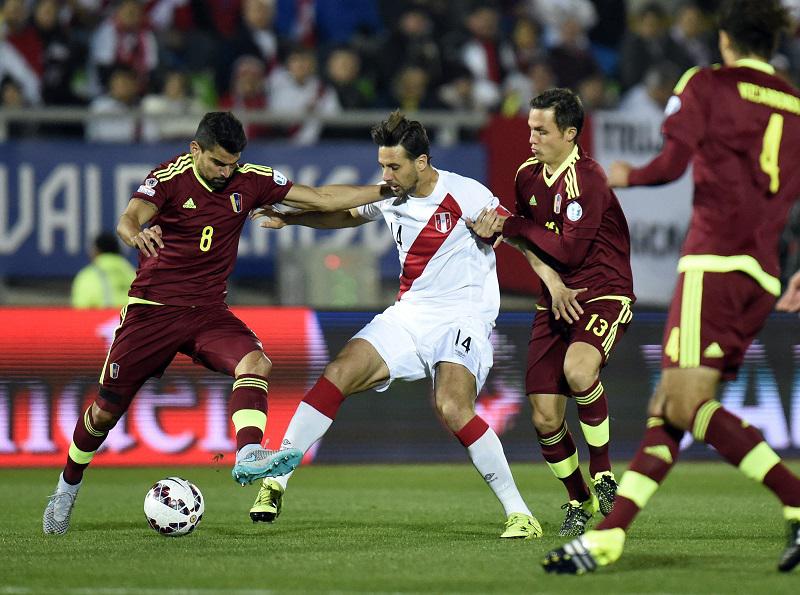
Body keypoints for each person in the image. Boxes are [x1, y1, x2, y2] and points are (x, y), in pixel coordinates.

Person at [43, 111, 394, 535]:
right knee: (103, 413)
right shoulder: (169, 177)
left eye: (233, 163)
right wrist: (136, 234)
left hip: (208, 311)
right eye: (217, 163)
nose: (227, 172)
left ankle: (247, 453)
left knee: (257, 363)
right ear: (196, 150)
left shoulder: (251, 179)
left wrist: (385, 190)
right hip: (153, 309)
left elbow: (319, 198)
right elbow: (128, 219)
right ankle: (66, 487)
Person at [543, 0, 800, 574]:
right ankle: (610, 539)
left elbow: (670, 164)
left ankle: (795, 497)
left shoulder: (707, 83)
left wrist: (623, 174)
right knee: (668, 408)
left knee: (684, 402)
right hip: (763, 271)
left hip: (713, 261)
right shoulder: (796, 103)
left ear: (726, 41)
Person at [246, 111, 578, 538]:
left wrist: (552, 281)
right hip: (409, 314)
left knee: (452, 408)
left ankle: (520, 514)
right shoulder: (391, 192)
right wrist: (290, 218)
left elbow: (517, 235)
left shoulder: (466, 192)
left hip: (462, 317)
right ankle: (275, 482)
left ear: (422, 162)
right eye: (383, 164)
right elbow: (341, 212)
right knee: (338, 373)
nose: (386, 174)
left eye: (394, 166)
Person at [467, 88, 635, 537]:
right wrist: (547, 277)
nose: (532, 138)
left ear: (570, 133)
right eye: (530, 129)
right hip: (555, 297)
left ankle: (603, 474)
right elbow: (526, 241)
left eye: (541, 131)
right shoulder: (527, 175)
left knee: (580, 371)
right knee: (544, 416)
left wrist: (509, 222)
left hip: (602, 290)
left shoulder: (589, 179)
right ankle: (579, 500)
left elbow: (570, 247)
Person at [71, 232, 136, 309]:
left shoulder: (86, 276)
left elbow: (80, 310)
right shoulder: (135, 274)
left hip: (102, 319)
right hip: (135, 319)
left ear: (96, 251)